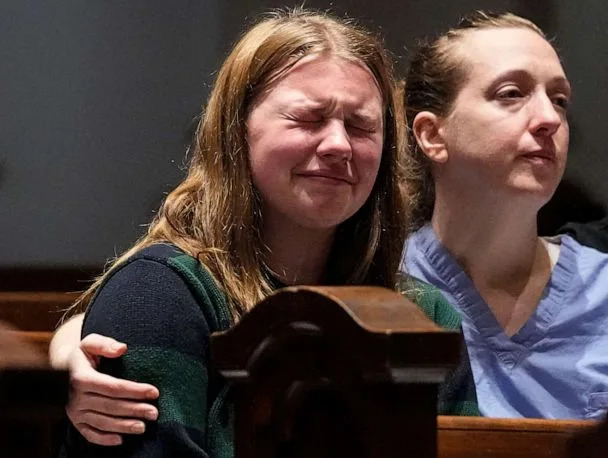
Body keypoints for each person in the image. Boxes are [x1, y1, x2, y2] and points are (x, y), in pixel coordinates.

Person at [52, 9, 476, 456]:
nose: (338, 145)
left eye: (360, 125)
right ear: (238, 132)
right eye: (308, 119)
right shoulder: (159, 295)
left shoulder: (425, 313)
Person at [402, 11, 608, 419]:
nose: (550, 118)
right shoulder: (379, 287)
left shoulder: (602, 289)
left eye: (560, 99)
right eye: (511, 93)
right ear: (432, 135)